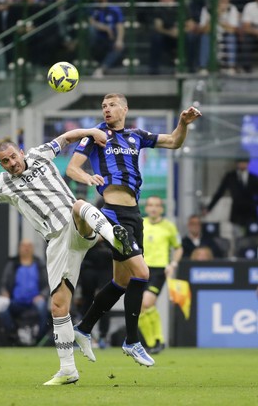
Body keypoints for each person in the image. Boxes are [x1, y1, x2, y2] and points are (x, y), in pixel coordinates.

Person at [0, 128, 132, 386]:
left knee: (78, 205)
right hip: (56, 243)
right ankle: (68, 370)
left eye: (13, 157)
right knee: (58, 306)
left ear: (20, 152)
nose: (11, 163)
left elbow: (67, 138)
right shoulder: (3, 183)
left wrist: (93, 131)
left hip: (75, 226)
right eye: (5, 162)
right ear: (1, 164)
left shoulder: (40, 154)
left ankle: (115, 237)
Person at [66, 93, 202, 367]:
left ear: (124, 109)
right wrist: (87, 176)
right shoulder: (94, 135)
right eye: (103, 106)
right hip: (111, 213)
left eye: (112, 105)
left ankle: (82, 329)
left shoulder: (137, 135)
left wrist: (183, 123)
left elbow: (174, 141)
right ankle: (132, 341)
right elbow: (71, 168)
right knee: (142, 273)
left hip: (133, 214)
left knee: (122, 282)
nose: (106, 109)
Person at [139, 195, 182, 354]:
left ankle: (157, 340)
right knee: (142, 306)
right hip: (141, 268)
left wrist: (173, 264)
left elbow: (178, 247)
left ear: (161, 209)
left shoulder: (169, 227)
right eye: (150, 205)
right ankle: (154, 343)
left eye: (157, 205)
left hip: (158, 270)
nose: (153, 208)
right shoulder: (141, 224)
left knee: (147, 302)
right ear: (147, 208)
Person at [0, 238, 49, 344]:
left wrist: (42, 295)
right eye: (24, 246)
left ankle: (39, 338)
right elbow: (3, 284)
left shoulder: (39, 264)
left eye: (29, 246)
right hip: (16, 302)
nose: (26, 249)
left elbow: (48, 285)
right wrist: (4, 293)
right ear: (19, 248)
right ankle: (13, 335)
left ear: (33, 249)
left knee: (42, 306)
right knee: (3, 307)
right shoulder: (12, 264)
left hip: (34, 301)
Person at [202, 155, 258, 239]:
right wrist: (209, 208)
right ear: (237, 164)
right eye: (240, 162)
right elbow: (219, 193)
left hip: (251, 213)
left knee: (252, 238)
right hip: (236, 214)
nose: (242, 165)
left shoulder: (254, 178)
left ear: (248, 163)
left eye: (244, 162)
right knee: (237, 239)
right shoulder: (230, 177)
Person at [78, 224, 113, 349]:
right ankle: (86, 334)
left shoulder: (112, 217)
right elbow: (83, 236)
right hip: (89, 265)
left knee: (105, 300)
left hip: (107, 265)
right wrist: (99, 236)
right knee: (86, 300)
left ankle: (103, 336)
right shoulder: (87, 217)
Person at [198, 0, 239, 75]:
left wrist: (219, 18)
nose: (224, 4)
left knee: (231, 38)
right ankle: (203, 67)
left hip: (226, 34)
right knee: (205, 37)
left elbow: (232, 30)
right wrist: (215, 15)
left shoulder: (232, 9)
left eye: (226, 1)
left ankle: (231, 66)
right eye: (222, 1)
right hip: (211, 34)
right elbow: (204, 30)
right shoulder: (207, 9)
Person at [89, 0, 125, 78]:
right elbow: (91, 21)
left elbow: (120, 25)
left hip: (111, 39)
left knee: (119, 47)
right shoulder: (93, 8)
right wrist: (106, 28)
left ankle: (101, 69)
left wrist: (119, 40)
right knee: (90, 30)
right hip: (98, 39)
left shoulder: (114, 9)